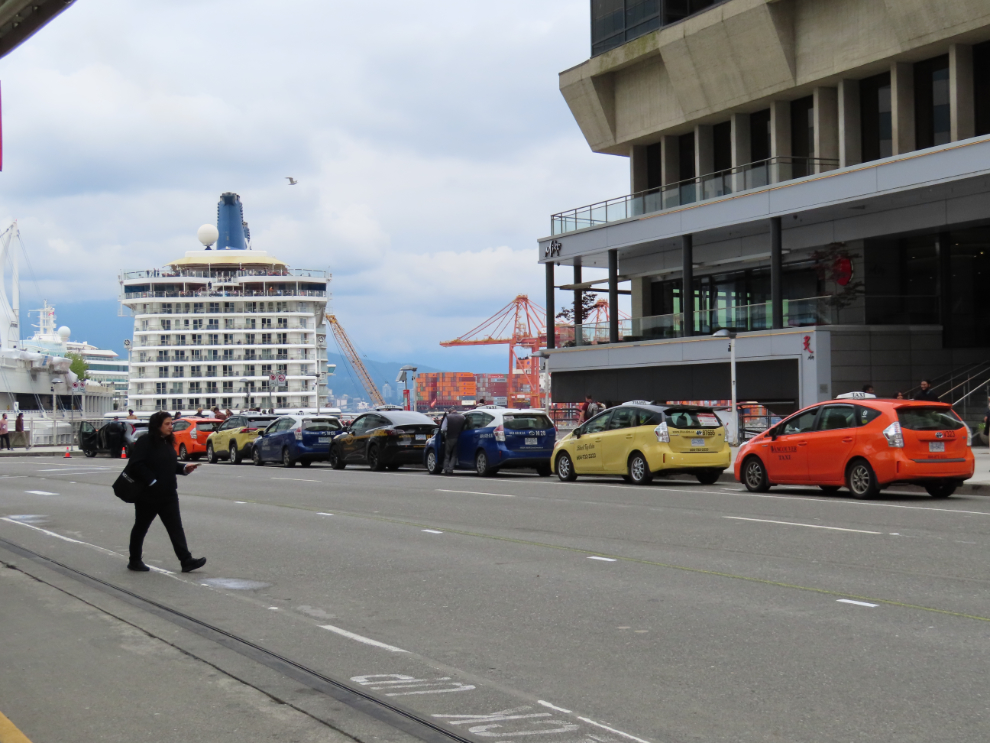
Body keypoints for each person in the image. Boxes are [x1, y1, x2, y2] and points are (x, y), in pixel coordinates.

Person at [126, 411, 206, 573]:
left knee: (176, 528)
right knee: (141, 527)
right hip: (148, 495)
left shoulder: (167, 442)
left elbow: (168, 465)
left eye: (171, 423)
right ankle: (134, 560)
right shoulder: (145, 441)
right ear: (157, 425)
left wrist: (184, 468)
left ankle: (186, 560)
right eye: (167, 424)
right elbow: (136, 464)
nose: (171, 427)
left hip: (168, 494)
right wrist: (152, 481)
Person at [440, 408, 466, 475]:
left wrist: (445, 434)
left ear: (450, 412)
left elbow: (443, 428)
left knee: (447, 454)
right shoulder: (462, 417)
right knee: (454, 455)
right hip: (458, 438)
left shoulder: (448, 417)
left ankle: (446, 469)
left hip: (449, 438)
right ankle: (450, 469)